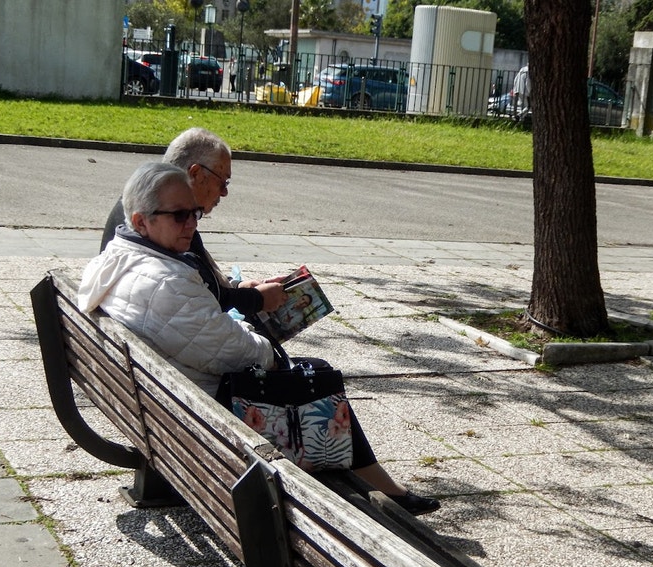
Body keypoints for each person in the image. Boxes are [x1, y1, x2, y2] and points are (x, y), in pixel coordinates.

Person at [79, 162, 440, 516]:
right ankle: (382, 487)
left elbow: (202, 333)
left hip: (165, 401)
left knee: (308, 374)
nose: (191, 223)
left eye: (194, 213)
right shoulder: (165, 280)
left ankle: (377, 482)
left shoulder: (119, 257)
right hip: (207, 408)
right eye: (179, 216)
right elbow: (236, 354)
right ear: (142, 221)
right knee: (319, 377)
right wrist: (268, 348)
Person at [100, 128, 286, 317]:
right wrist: (255, 299)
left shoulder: (147, 202)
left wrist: (238, 287)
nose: (224, 192)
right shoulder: (160, 218)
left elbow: (201, 283)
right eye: (223, 182)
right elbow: (195, 300)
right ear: (196, 173)